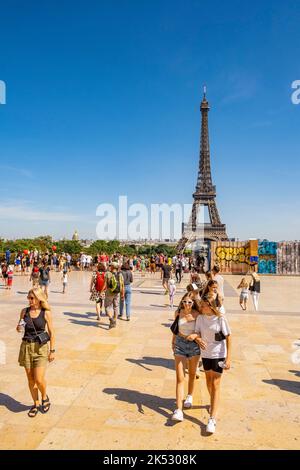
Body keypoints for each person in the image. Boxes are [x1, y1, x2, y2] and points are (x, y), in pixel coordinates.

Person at [194, 280, 231, 434]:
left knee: (215, 383)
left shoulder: (220, 319)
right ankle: (214, 402)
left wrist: (228, 358)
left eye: (203, 306)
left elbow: (229, 337)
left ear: (210, 306)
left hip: (219, 353)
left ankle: (212, 419)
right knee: (208, 382)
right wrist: (197, 338)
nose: (201, 308)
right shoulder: (201, 319)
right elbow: (197, 333)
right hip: (206, 354)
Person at [16, 288, 55, 417]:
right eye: (28, 297)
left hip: (41, 348)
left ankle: (44, 396)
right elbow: (20, 327)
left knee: (39, 379)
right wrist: (19, 327)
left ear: (39, 299)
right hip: (26, 347)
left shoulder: (45, 313)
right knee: (31, 379)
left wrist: (52, 350)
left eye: (32, 298)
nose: (29, 300)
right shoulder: (24, 312)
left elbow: (52, 333)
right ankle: (35, 403)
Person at [171, 292, 206, 422]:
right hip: (180, 343)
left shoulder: (198, 314)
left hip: (194, 345)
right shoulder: (178, 312)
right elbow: (176, 328)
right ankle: (178, 410)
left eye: (189, 302)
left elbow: (201, 330)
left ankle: (190, 395)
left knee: (192, 373)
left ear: (193, 303)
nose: (186, 304)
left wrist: (196, 337)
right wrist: (173, 341)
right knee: (180, 377)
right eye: (184, 302)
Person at [105, 263, 124, 329]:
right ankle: (115, 321)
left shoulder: (108, 274)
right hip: (117, 293)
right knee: (116, 307)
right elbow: (122, 285)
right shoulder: (120, 274)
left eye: (110, 266)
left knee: (107, 307)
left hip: (109, 292)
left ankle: (111, 319)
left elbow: (106, 284)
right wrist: (122, 294)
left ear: (112, 267)